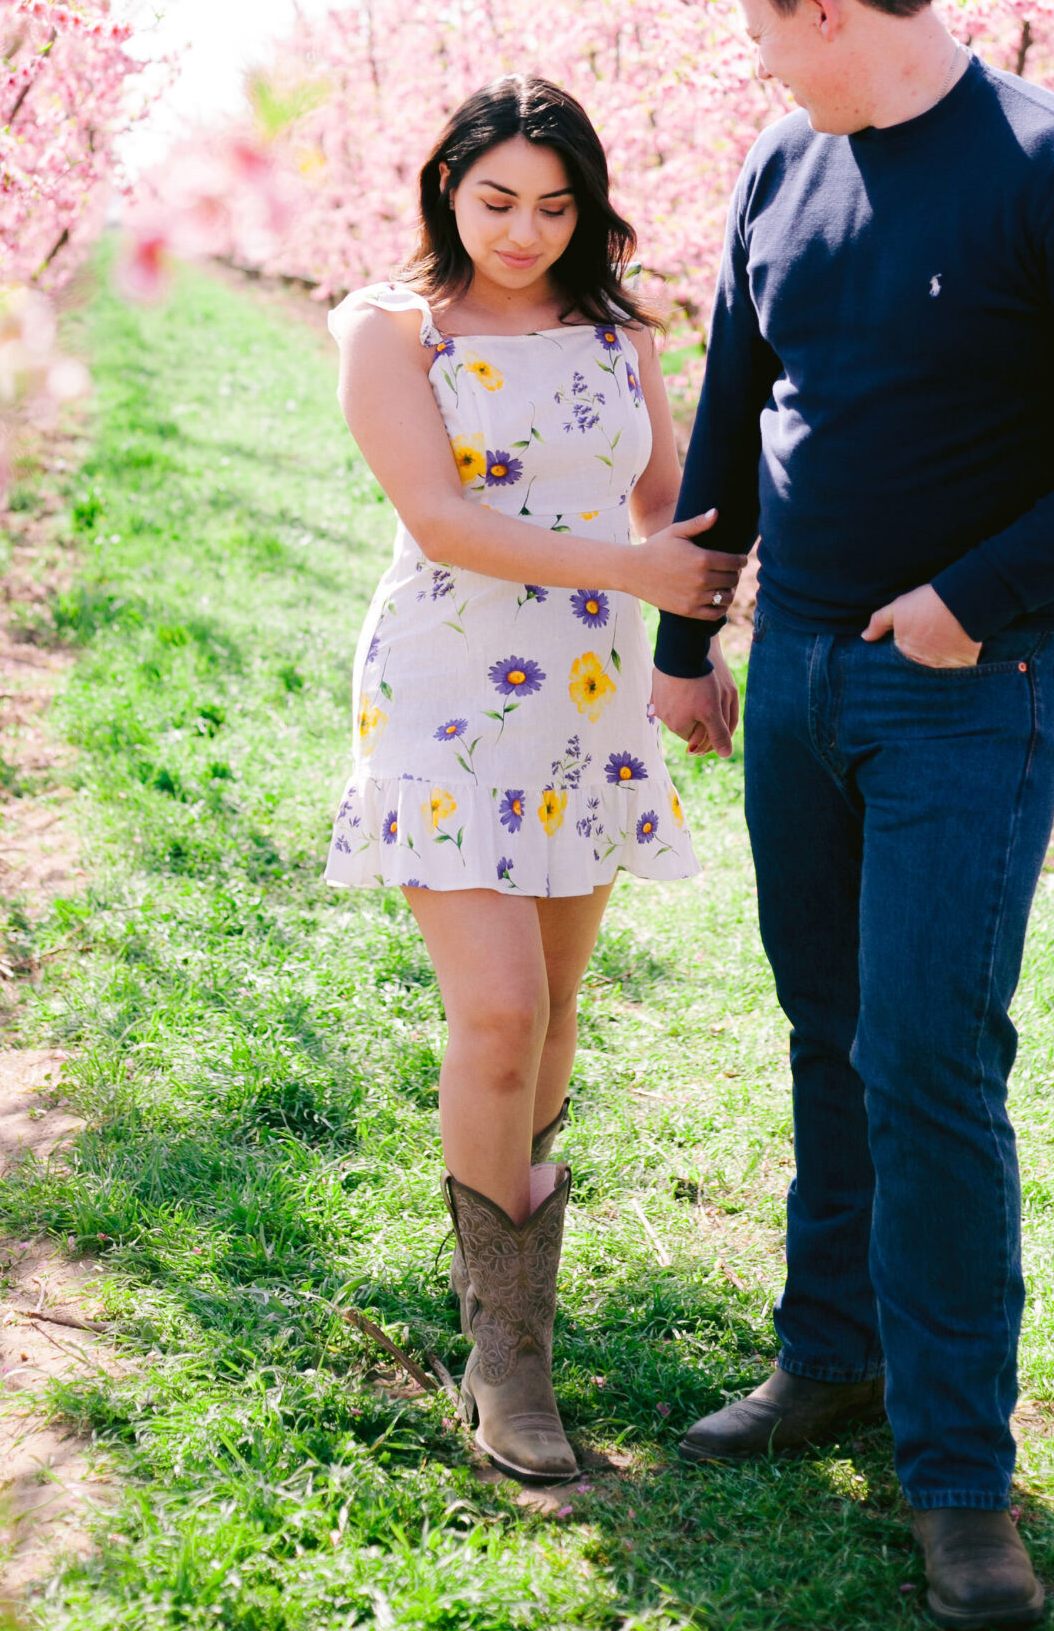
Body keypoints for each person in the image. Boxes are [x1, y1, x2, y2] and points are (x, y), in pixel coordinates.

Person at [651, 0, 1054, 1630]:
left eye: (761, 28)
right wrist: (689, 643)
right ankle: (834, 1360)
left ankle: (962, 1475)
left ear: (829, 8)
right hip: (799, 677)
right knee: (828, 1032)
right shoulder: (778, 167)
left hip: (966, 690)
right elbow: (738, 406)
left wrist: (973, 596)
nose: (755, 63)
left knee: (931, 1063)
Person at [327, 73, 744, 1484]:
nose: (525, 229)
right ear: (446, 185)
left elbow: (672, 504)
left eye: (556, 205)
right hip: (445, 692)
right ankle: (510, 1367)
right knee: (498, 1012)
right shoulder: (392, 333)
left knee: (557, 1020)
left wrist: (687, 647)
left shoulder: (617, 334)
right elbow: (442, 521)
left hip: (586, 696)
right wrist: (637, 572)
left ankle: (507, 1282)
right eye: (497, 198)